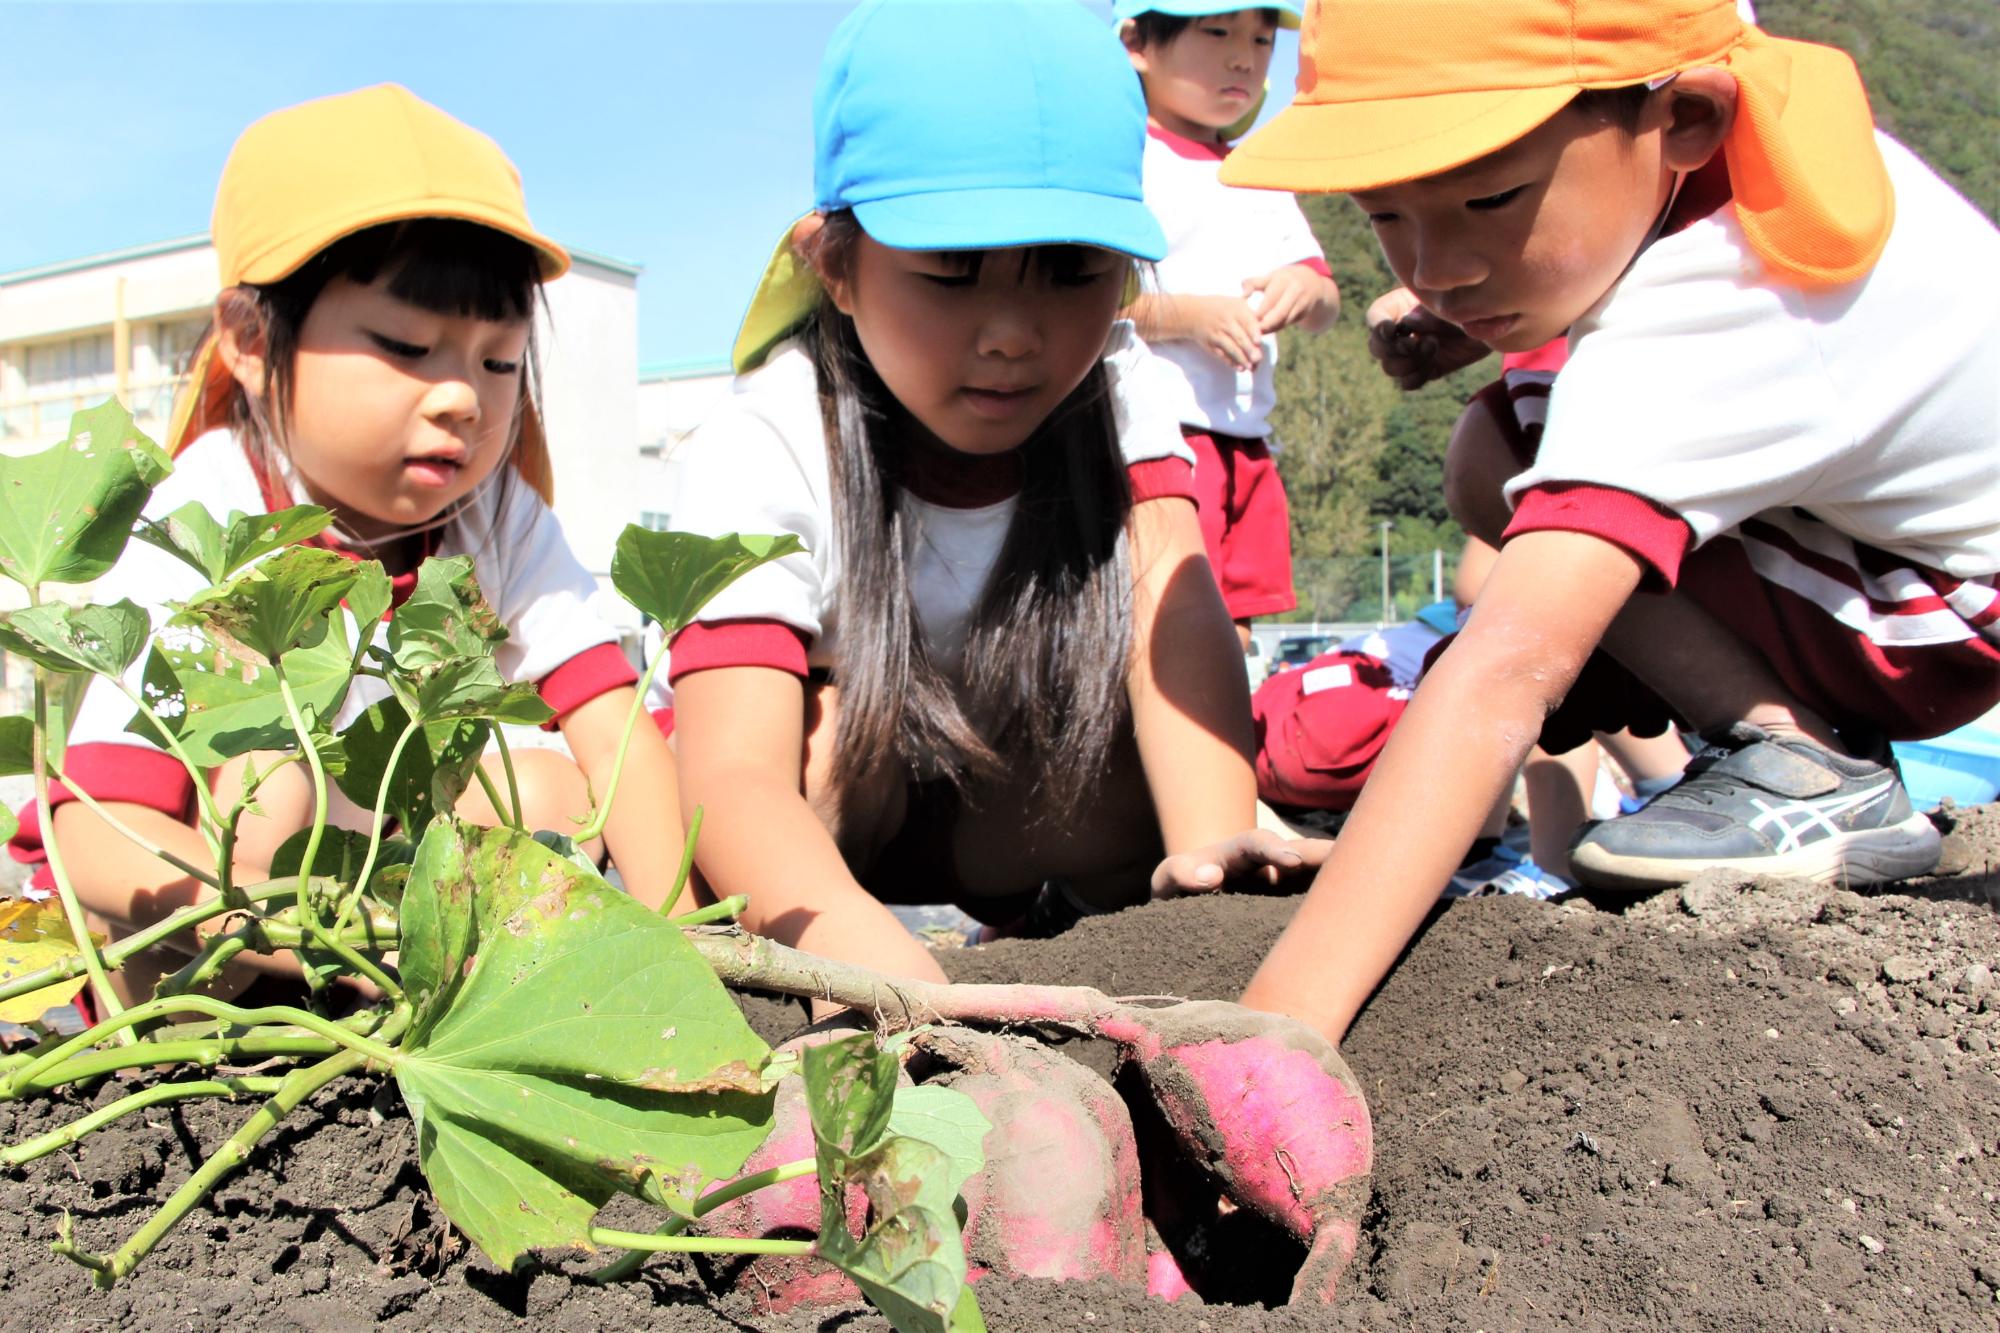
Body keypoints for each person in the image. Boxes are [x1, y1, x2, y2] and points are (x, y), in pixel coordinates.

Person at [1160, 0, 2000, 1042]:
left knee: (1513, 452)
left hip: (1931, 615)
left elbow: (1509, 663)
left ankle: (1804, 765)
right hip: (1898, 570)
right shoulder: (1749, 156)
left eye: (1488, 200)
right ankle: (1795, 750)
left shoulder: (1722, 305)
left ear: (1681, 115)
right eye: (1386, 217)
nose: (1433, 270)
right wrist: (1470, 324)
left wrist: (1275, 1030)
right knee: (1510, 435)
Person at [8, 85, 686, 1004]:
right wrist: (306, 943)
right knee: (273, 772)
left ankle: (433, 1010)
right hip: (192, 941)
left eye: (498, 360)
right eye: (409, 345)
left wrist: (678, 953)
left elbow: (615, 737)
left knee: (553, 789)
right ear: (250, 339)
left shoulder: (498, 514)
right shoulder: (198, 516)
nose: (464, 398)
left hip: (378, 922)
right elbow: (97, 831)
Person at [662, 0, 1260, 986]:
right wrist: (875, 970)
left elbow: (1176, 614)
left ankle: (1054, 932)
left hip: (1016, 827)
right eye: (950, 273)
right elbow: (729, 773)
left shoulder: (1118, 389)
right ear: (834, 266)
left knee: (1135, 743)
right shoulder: (768, 434)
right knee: (820, 740)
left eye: (1072, 271)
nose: (1013, 333)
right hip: (829, 838)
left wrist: (1218, 889)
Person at [1115, 0, 1341, 651]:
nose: (1243, 57)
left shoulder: (1259, 170)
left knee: (1234, 629)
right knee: (1163, 622)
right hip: (1157, 436)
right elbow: (1089, 302)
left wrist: (1307, 288)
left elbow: (1323, 297)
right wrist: (1188, 316)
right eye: (1216, 32)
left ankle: (1225, 736)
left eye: (1263, 39)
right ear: (1137, 43)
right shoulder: (1126, 161)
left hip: (1246, 440)